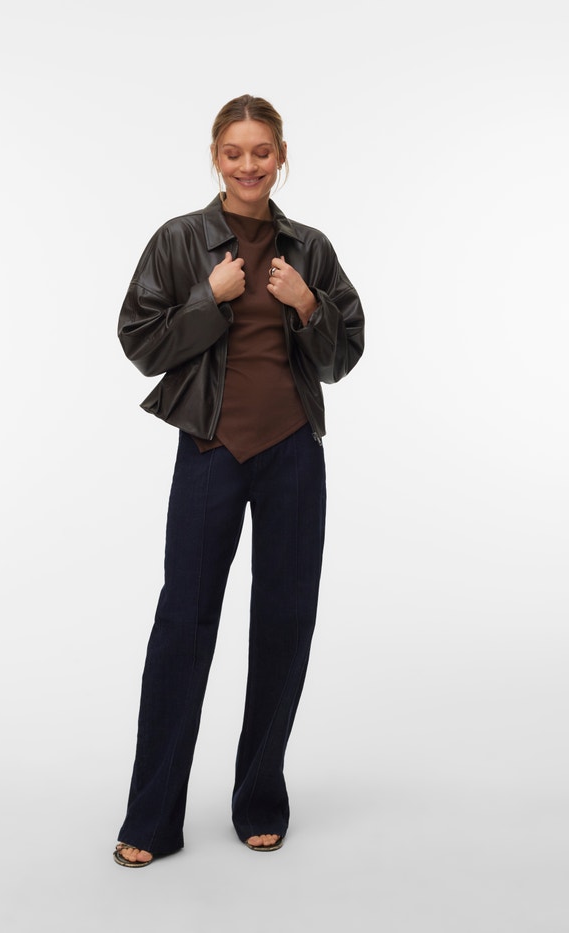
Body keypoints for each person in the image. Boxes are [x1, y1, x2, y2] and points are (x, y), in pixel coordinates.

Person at [113, 94, 365, 867]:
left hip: (293, 451)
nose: (248, 165)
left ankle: (259, 797)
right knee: (183, 623)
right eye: (234, 152)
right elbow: (140, 341)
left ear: (281, 157)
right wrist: (208, 298)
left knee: (285, 621)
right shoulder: (180, 240)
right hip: (210, 447)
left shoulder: (310, 248)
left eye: (262, 151)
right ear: (215, 157)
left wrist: (308, 303)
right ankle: (152, 817)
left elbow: (343, 356)